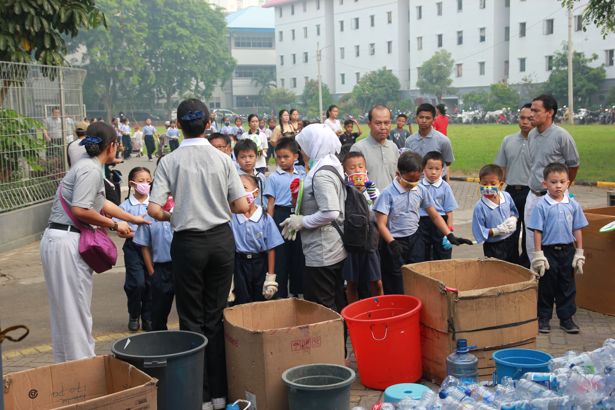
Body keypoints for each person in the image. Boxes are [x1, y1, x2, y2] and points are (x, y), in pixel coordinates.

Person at [148, 99, 249, 410]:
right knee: (215, 316)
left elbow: (153, 208)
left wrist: (172, 216)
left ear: (178, 125)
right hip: (220, 241)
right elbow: (242, 205)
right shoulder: (222, 159)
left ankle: (200, 396)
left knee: (190, 319)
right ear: (209, 124)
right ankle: (221, 395)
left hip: (187, 243)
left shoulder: (170, 161)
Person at [41, 122, 148, 362]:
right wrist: (114, 225)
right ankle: (82, 370)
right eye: (117, 144)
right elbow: (81, 209)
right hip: (66, 241)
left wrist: (131, 218)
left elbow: (100, 203)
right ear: (111, 146)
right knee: (76, 312)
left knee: (64, 312)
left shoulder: (87, 167)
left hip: (57, 239)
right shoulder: (90, 170)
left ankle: (65, 367)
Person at [374, 151, 471, 294]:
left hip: (414, 238)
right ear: (398, 174)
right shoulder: (387, 194)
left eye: (416, 180)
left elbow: (435, 215)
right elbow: (381, 223)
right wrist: (392, 243)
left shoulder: (420, 189)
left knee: (417, 274)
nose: (412, 185)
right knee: (395, 280)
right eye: (408, 181)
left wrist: (449, 235)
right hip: (394, 242)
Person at [279, 124, 347, 316]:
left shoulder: (322, 174)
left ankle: (331, 343)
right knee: (335, 299)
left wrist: (302, 221)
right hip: (332, 245)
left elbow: (331, 212)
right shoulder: (331, 164)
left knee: (323, 306)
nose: (301, 151)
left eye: (303, 145)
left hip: (324, 250)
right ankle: (338, 343)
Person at [528, 163, 588, 334]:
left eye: (562, 182)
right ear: (545, 184)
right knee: (547, 286)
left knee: (567, 286)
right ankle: (544, 318)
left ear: (568, 183)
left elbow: (578, 228)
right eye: (553, 182)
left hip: (568, 251)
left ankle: (566, 319)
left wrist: (579, 252)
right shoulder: (541, 205)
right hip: (548, 252)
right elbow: (537, 230)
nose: (558, 185)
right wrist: (538, 254)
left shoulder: (573, 204)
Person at [524, 95, 580, 262]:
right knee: (531, 238)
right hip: (533, 194)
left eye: (536, 110)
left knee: (553, 237)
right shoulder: (532, 134)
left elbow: (573, 164)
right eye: (531, 110)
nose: (531, 114)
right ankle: (536, 275)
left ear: (549, 112)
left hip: (554, 198)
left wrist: (563, 189)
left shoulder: (561, 136)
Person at [230, 175, 285, 304]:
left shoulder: (265, 218)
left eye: (244, 188)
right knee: (242, 300)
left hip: (260, 263)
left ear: (255, 193)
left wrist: (270, 278)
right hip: (239, 264)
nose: (240, 192)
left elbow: (271, 248)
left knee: (260, 299)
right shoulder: (232, 218)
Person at [264, 137, 306, 297]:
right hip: (280, 215)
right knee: (281, 256)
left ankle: (298, 292)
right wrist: (269, 225)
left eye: (286, 156)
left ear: (295, 156)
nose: (281, 160)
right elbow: (270, 203)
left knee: (298, 255)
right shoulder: (274, 177)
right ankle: (280, 294)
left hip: (298, 214)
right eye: (278, 157)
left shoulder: (302, 173)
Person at [494, 103, 533, 267]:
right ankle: (512, 266)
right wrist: (497, 193)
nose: (524, 122)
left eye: (529, 119)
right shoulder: (508, 140)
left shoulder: (540, 142)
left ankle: (526, 266)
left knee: (530, 233)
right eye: (522, 118)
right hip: (511, 192)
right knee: (510, 231)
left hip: (532, 193)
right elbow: (501, 167)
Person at [341, 151, 383, 303]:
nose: (357, 170)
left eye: (360, 166)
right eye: (352, 168)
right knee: (351, 282)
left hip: (370, 243)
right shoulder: (344, 191)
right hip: (351, 244)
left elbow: (379, 210)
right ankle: (353, 312)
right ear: (345, 172)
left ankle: (379, 307)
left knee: (376, 281)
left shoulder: (372, 189)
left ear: (366, 170)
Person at [116, 167, 153, 332]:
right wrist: (137, 234)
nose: (145, 184)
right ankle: (134, 314)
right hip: (133, 248)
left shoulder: (154, 204)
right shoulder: (124, 207)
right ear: (132, 184)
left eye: (148, 181)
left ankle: (147, 316)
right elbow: (121, 232)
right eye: (141, 181)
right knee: (136, 283)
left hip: (152, 249)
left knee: (151, 283)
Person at [133, 192, 175, 331]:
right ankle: (160, 343)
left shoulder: (182, 212)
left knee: (187, 310)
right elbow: (144, 245)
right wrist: (151, 271)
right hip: (160, 269)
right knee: (159, 311)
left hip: (182, 267)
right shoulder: (150, 216)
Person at [472, 164, 520, 263]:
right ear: (479, 183)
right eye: (484, 184)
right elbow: (479, 231)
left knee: (513, 268)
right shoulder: (480, 207)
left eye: (493, 184)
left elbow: (513, 211)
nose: (488, 187)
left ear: (501, 185)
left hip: (511, 241)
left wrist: (514, 219)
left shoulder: (506, 197)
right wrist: (496, 231)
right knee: (496, 272)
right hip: (494, 246)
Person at [418, 151, 459, 261]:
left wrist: (449, 231)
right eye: (430, 168)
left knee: (442, 252)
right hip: (422, 222)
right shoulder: (418, 186)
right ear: (423, 168)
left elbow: (449, 210)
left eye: (437, 169)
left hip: (441, 223)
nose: (433, 172)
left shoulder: (445, 187)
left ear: (442, 170)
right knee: (422, 253)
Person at [350, 105, 400, 190]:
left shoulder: (393, 147)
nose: (383, 127)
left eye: (386, 123)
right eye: (378, 123)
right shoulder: (358, 149)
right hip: (368, 202)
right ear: (369, 124)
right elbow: (354, 184)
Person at [405, 103, 455, 180]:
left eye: (428, 118)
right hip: (416, 183)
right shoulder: (409, 141)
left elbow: (448, 161)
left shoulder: (443, 141)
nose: (424, 121)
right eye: (421, 117)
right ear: (416, 119)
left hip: (437, 183)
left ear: (433, 120)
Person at [235, 139, 267, 210]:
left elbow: (265, 197)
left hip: (261, 214)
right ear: (237, 159)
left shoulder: (261, 177)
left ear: (256, 157)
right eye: (243, 157)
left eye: (251, 156)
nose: (247, 160)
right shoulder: (235, 178)